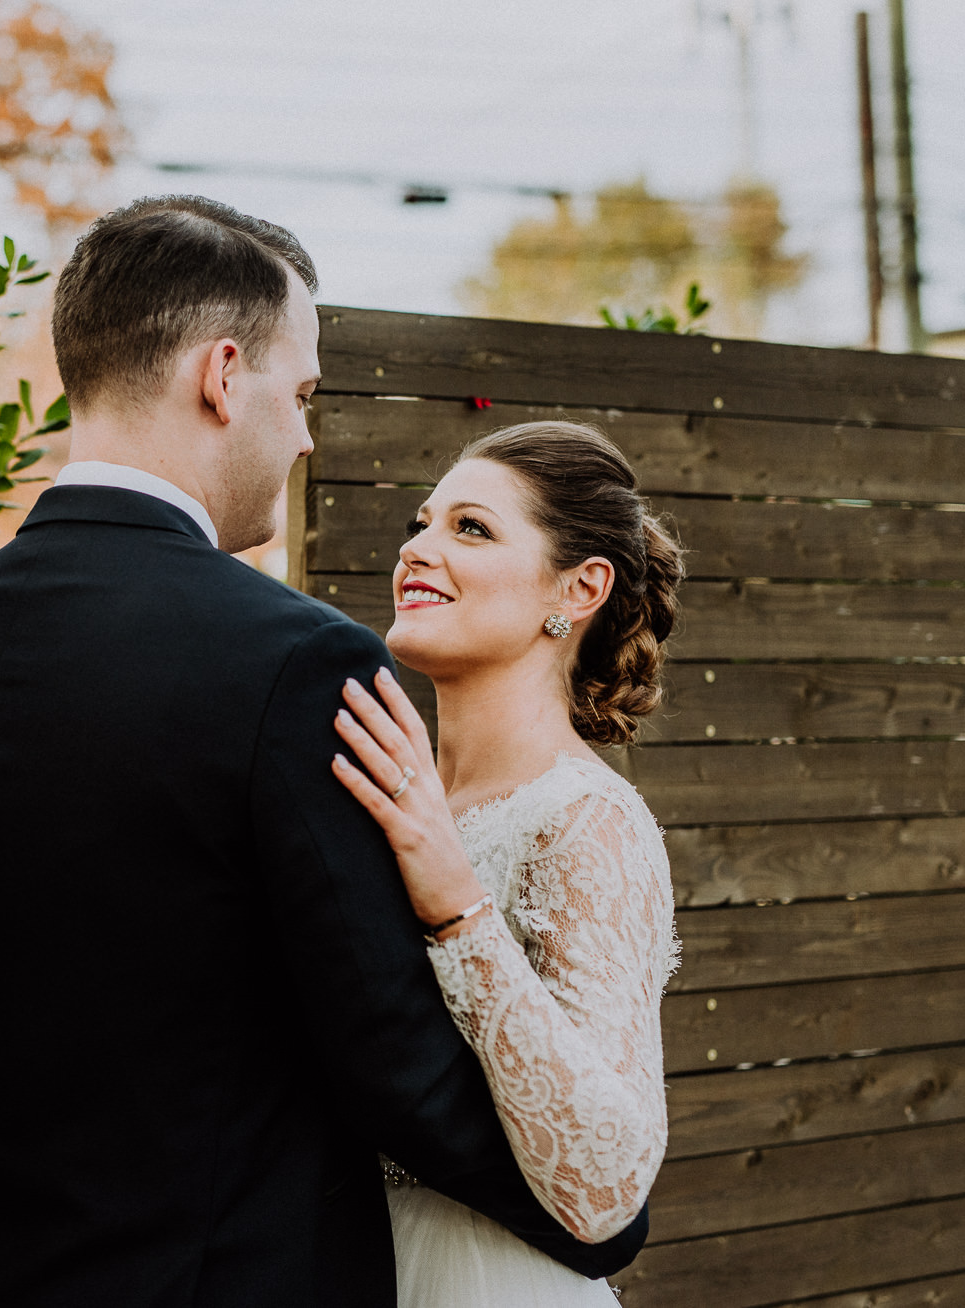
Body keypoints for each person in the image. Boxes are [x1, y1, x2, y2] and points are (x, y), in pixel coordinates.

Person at [0, 196, 647, 1308]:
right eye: (303, 393)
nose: (307, 435)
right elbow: (388, 1056)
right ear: (224, 376)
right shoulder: (298, 663)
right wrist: (593, 1221)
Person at [328, 422, 684, 1304]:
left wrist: (458, 907)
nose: (417, 548)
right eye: (422, 522)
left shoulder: (587, 822)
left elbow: (606, 1182)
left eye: (470, 528)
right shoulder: (394, 801)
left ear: (579, 587)